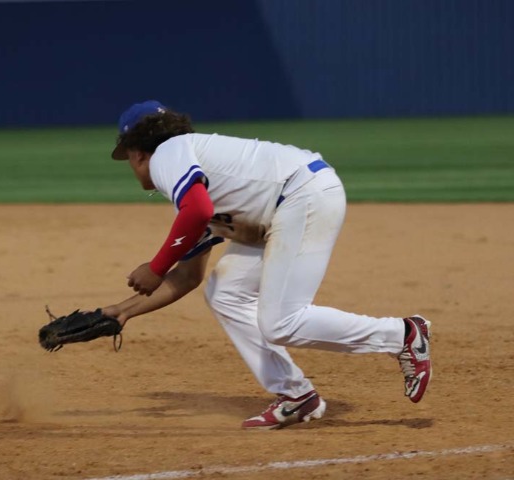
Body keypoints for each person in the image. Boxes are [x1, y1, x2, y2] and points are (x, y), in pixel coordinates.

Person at [101, 100, 432, 430]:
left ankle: (402, 334)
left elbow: (199, 212)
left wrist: (157, 267)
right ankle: (296, 395)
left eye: (127, 157)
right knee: (225, 293)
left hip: (302, 196)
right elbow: (189, 276)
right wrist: (123, 311)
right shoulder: (191, 174)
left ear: (137, 153)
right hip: (287, 206)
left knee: (282, 323)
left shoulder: (167, 154)